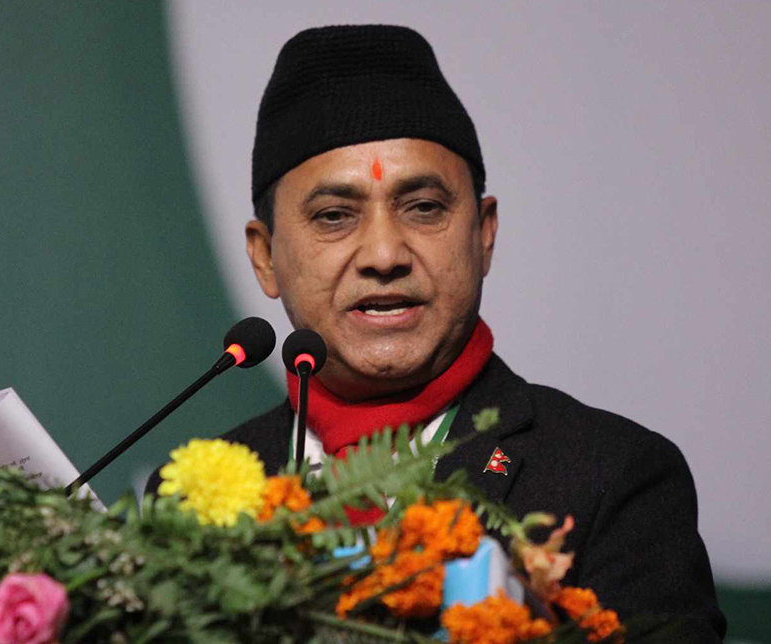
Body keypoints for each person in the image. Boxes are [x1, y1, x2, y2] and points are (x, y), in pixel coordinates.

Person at [164, 24, 726, 641]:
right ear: (265, 257)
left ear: (483, 234)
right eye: (334, 216)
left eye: (424, 208)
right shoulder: (195, 507)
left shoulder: (613, 478)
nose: (384, 254)